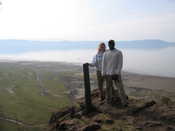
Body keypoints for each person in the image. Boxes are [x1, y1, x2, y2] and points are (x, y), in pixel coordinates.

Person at [102, 40, 128, 106]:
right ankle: (108, 102)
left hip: (116, 74)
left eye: (112, 44)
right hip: (108, 74)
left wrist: (117, 73)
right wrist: (103, 73)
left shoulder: (118, 52)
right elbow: (104, 64)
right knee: (108, 89)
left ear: (114, 44)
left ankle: (124, 102)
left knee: (120, 88)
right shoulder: (105, 53)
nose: (111, 45)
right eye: (109, 44)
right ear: (108, 45)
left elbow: (120, 64)